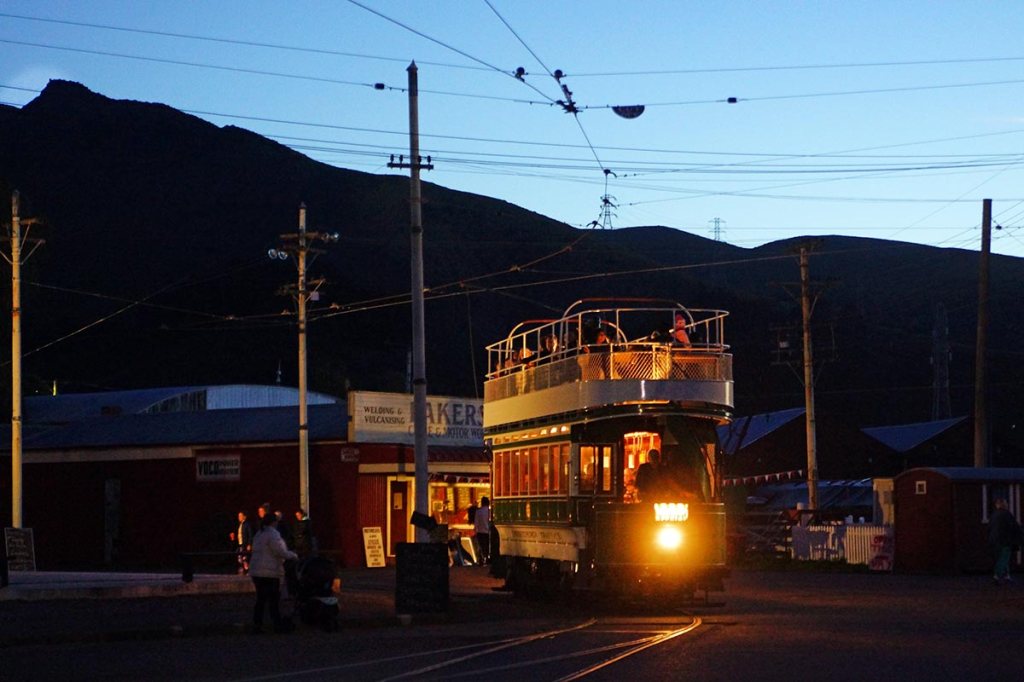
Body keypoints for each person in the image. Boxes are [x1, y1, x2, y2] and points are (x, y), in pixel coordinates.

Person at [249, 512, 298, 634]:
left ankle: (258, 623)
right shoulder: (273, 534)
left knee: (260, 599)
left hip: (256, 571)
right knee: (273, 600)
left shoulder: (259, 534)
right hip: (270, 572)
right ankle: (276, 624)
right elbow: (280, 551)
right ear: (274, 522)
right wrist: (293, 555)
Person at [989, 498, 1022, 584]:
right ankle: (997, 575)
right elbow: (1014, 527)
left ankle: (1006, 576)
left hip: (994, 540)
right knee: (1004, 558)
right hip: (1005, 540)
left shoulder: (993, 515)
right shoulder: (1007, 515)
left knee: (1000, 557)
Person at [230, 511, 253, 575]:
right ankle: (241, 570)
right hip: (240, 544)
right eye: (238, 516)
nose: (239, 517)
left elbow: (250, 534)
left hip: (245, 544)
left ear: (244, 517)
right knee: (240, 558)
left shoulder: (247, 524)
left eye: (240, 516)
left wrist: (249, 544)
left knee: (245, 558)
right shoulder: (239, 525)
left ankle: (247, 570)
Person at [474, 497, 491, 565]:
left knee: (481, 546)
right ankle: (487, 558)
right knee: (487, 546)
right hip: (488, 532)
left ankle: (481, 559)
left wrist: (476, 530)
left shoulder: (478, 511)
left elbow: (476, 522)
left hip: (480, 532)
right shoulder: (490, 511)